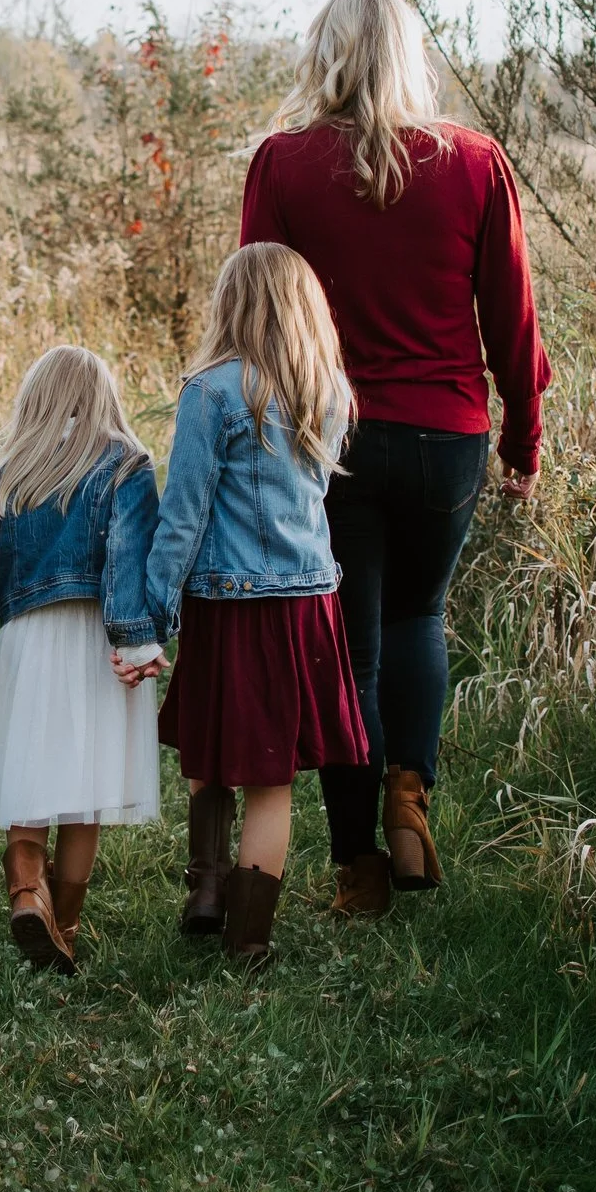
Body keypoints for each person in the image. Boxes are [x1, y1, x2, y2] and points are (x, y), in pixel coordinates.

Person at [239, 0, 549, 916]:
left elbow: (261, 320)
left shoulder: (283, 165)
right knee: (421, 618)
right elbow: (513, 316)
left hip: (332, 440)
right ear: (412, 56)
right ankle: (411, 802)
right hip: (448, 436)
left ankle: (357, 866)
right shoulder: (474, 162)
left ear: (323, 54)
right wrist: (523, 441)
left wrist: (257, 443)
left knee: (349, 652)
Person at [146, 243, 366, 963]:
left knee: (209, 751)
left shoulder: (211, 391)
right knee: (272, 777)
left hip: (228, 602)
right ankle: (248, 934)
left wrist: (155, 606)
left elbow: (183, 514)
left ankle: (208, 891)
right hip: (307, 603)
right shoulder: (326, 388)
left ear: (230, 305)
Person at [0, 346, 164, 974]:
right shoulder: (127, 465)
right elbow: (128, 563)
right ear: (105, 397)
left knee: (31, 772)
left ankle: (26, 890)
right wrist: (135, 640)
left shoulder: (12, 471)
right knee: (84, 791)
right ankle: (64, 926)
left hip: (24, 643)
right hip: (94, 643)